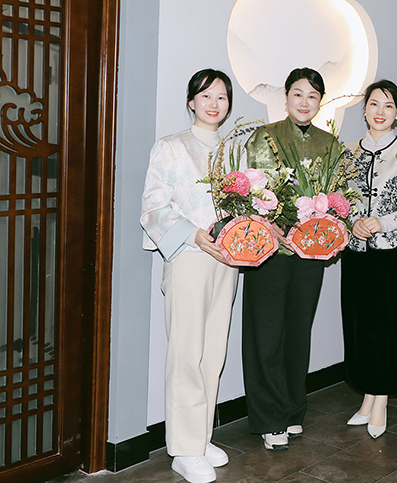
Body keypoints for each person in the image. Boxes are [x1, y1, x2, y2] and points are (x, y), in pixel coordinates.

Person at [140, 68, 236, 483]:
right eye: (206, 95)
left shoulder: (234, 152)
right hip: (189, 256)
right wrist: (195, 234)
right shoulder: (171, 147)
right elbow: (153, 208)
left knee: (213, 352)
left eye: (222, 97)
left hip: (228, 259)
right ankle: (183, 449)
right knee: (186, 353)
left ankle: (200, 436)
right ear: (191, 101)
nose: (214, 103)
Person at [241, 67, 335, 451]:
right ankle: (269, 417)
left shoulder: (330, 144)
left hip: (310, 252)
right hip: (269, 250)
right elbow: (254, 190)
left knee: (298, 332)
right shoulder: (265, 136)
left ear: (320, 102)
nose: (304, 102)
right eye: (298, 94)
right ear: (286, 97)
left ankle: (294, 409)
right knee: (266, 335)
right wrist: (273, 225)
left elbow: (336, 194)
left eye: (312, 96)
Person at [341, 80, 397, 438]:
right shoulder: (348, 152)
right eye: (374, 104)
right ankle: (367, 396)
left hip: (394, 252)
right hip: (357, 252)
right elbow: (339, 200)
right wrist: (353, 222)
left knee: (388, 326)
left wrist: (383, 222)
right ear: (364, 109)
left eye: (388, 105)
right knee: (359, 325)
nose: (380, 111)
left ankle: (381, 402)